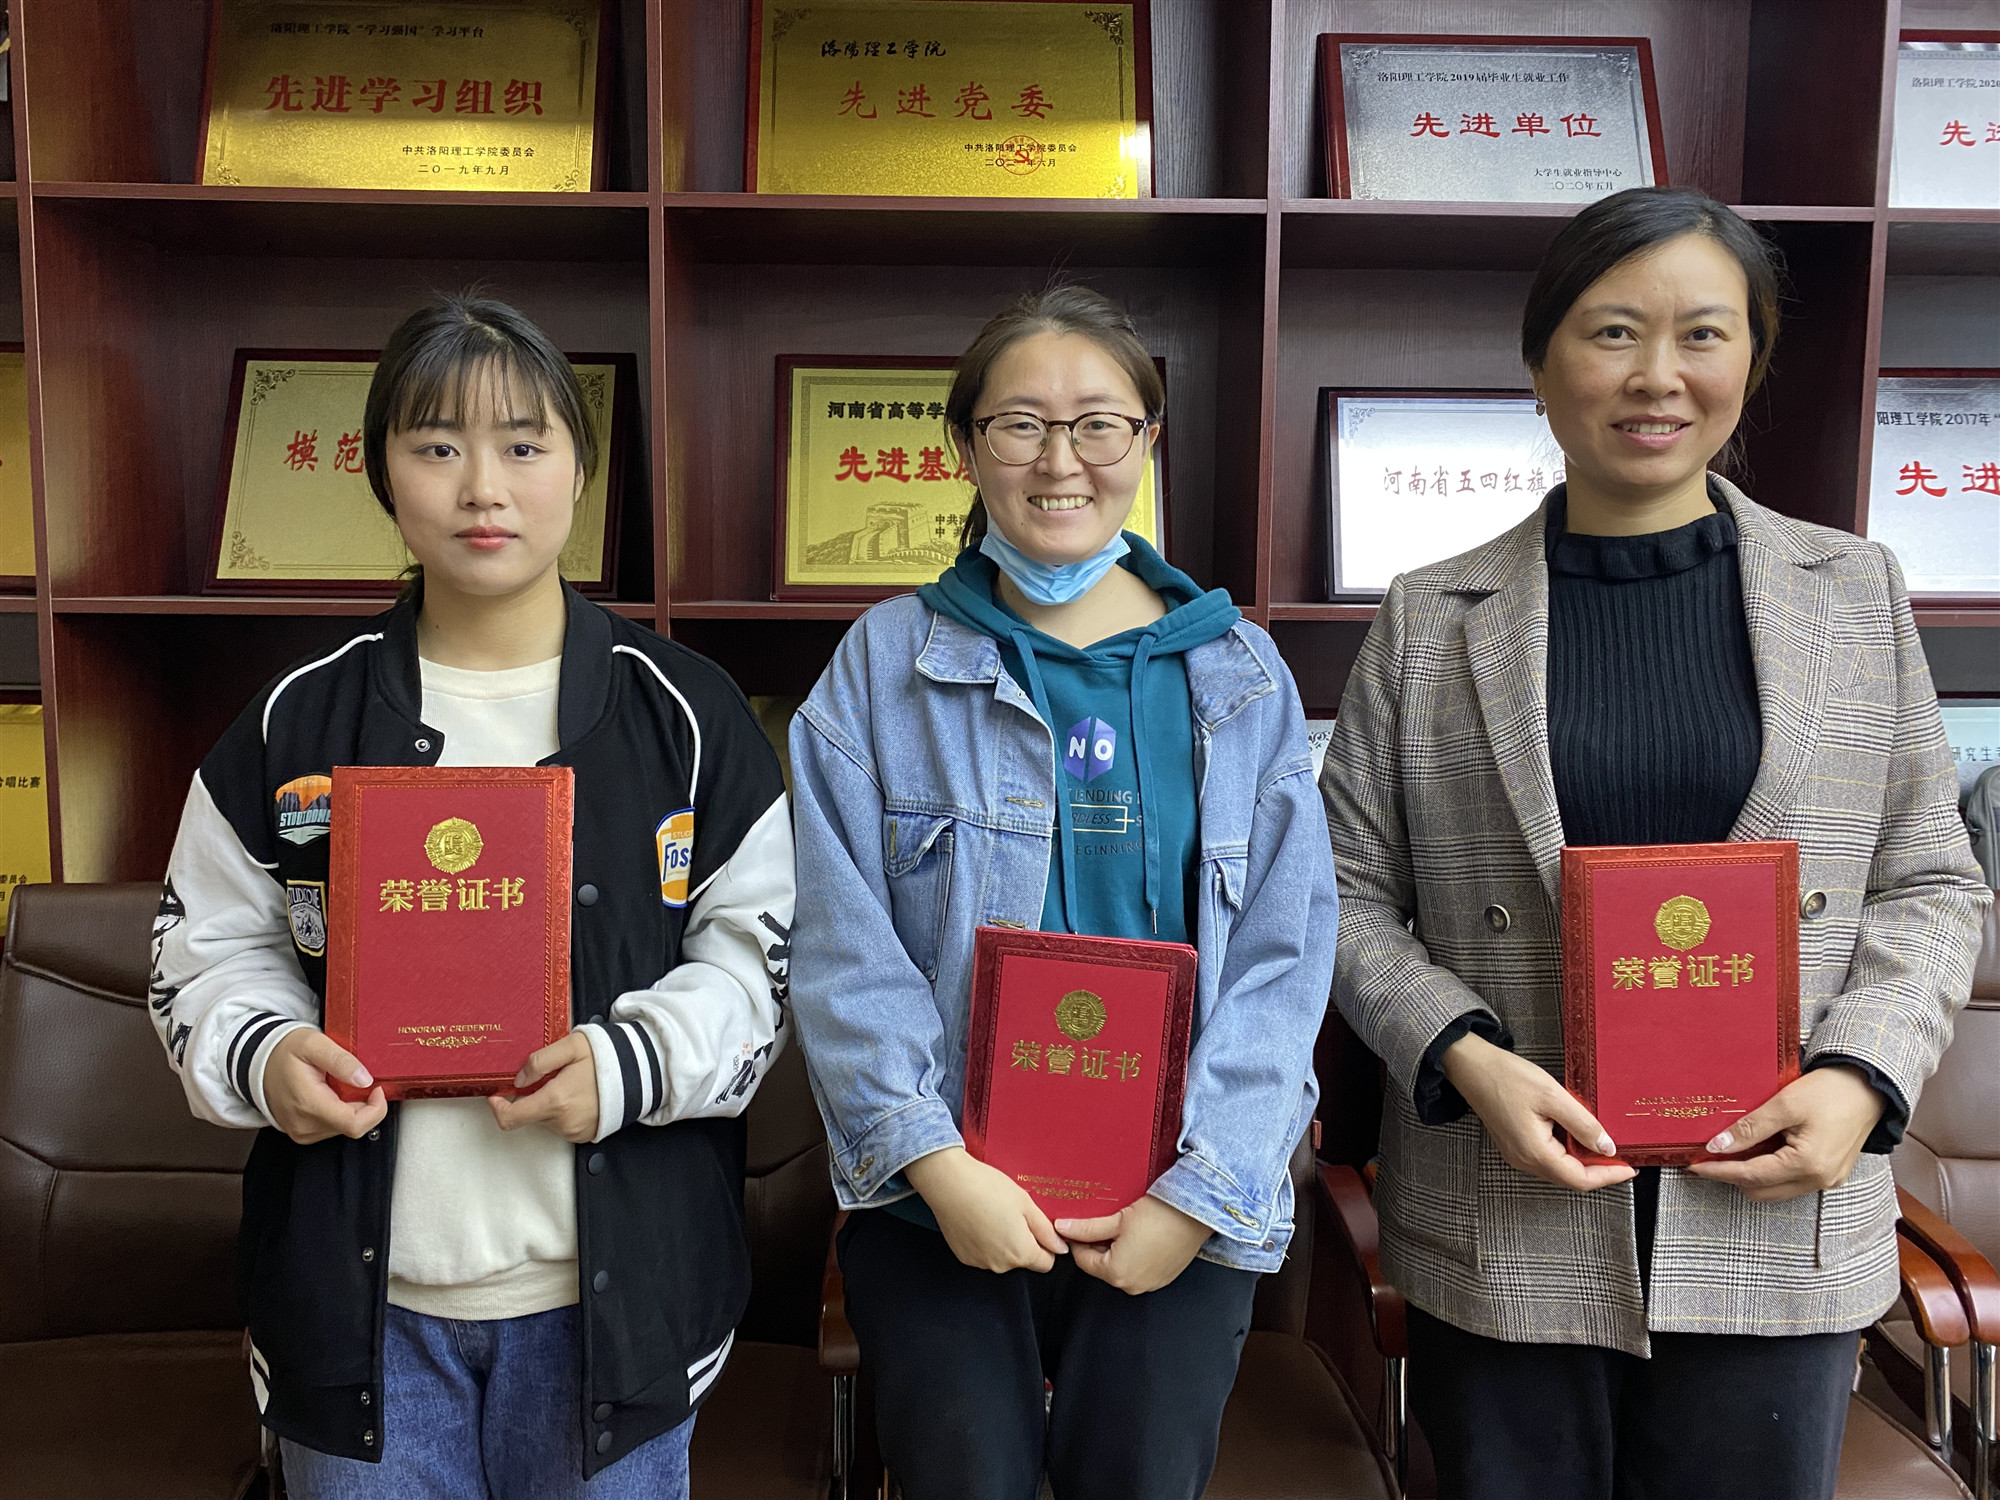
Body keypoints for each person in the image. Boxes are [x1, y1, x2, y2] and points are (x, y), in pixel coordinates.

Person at [1321, 185, 1992, 1500]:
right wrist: (1463, 1057)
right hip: (1505, 1208)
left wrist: (1861, 1079)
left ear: (1752, 360)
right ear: (1540, 364)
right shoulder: (1429, 617)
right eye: (1612, 331)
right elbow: (1341, 894)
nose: (1656, 375)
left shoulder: (1854, 593)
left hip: (1777, 1205)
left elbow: (1927, 878)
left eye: (1701, 334)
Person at [149, 295, 795, 1498]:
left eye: (523, 445)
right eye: (438, 445)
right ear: (382, 473)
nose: (482, 488)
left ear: (579, 471)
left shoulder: (686, 713)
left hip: (614, 1321)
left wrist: (629, 1064)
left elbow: (754, 960)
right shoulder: (297, 717)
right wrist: (268, 1054)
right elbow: (207, 949)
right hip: (362, 1324)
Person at [788, 285, 1338, 1500]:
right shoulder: (883, 665)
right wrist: (937, 1167)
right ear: (963, 446)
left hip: (1175, 1205)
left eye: (1097, 424)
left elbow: (1286, 957)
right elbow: (838, 949)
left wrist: (1196, 1198)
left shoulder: (1238, 674)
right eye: (1018, 425)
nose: (1059, 460)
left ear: (1147, 441)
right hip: (940, 1206)